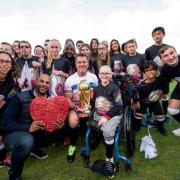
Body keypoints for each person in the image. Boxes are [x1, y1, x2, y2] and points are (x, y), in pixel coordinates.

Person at [1, 74, 68, 180]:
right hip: (16, 135)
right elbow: (5, 123)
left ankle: (33, 148)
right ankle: (14, 175)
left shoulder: (52, 100)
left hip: (39, 135)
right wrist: (28, 127)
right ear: (36, 81)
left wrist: (60, 126)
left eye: (47, 83)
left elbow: (58, 123)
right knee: (26, 141)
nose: (44, 85)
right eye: (42, 81)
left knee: (66, 126)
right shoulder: (20, 97)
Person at [65, 54, 98, 163]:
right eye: (79, 62)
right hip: (76, 107)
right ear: (75, 64)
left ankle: (89, 142)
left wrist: (94, 96)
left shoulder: (93, 77)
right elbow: (68, 99)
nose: (82, 64)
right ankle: (72, 146)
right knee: (73, 121)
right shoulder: (70, 79)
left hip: (91, 106)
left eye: (84, 62)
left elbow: (99, 94)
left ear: (88, 63)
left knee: (89, 119)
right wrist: (76, 108)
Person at [92, 65, 123, 164]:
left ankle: (109, 157)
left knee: (107, 130)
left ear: (111, 75)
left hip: (113, 114)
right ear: (98, 75)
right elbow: (95, 103)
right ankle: (96, 139)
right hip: (98, 113)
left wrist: (106, 117)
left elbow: (118, 106)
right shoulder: (96, 89)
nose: (105, 75)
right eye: (102, 73)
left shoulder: (115, 88)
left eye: (107, 73)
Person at [133, 61, 167, 135]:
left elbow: (165, 89)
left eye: (152, 69)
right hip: (143, 101)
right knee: (138, 114)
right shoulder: (141, 84)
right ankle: (137, 126)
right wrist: (137, 101)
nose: (150, 72)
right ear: (144, 73)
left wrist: (162, 94)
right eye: (147, 70)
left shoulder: (160, 80)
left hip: (155, 102)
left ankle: (160, 128)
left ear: (156, 70)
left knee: (160, 116)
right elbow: (137, 94)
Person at [145, 27, 170, 125]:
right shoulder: (148, 50)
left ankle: (165, 115)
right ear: (152, 37)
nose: (157, 36)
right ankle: (150, 114)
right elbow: (147, 65)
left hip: (165, 77)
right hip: (153, 77)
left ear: (163, 34)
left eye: (159, 34)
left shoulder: (169, 47)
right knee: (151, 96)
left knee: (164, 95)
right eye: (154, 35)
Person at [0, 51, 19, 168]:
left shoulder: (11, 82)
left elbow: (9, 97)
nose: (4, 64)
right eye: (1, 61)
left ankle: (2, 157)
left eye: (7, 61)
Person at [159, 45, 180, 134]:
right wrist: (162, 93)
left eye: (172, 53)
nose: (170, 57)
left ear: (176, 52)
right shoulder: (165, 69)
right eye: (165, 56)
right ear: (162, 59)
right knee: (172, 110)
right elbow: (165, 83)